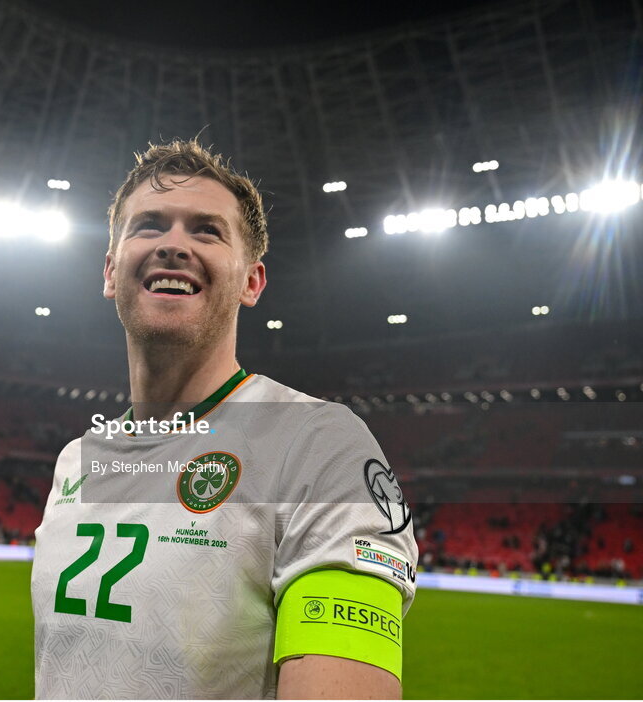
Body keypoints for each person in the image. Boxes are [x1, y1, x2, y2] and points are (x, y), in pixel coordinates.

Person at [31, 139, 417, 699]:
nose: (173, 245)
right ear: (111, 272)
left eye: (207, 231)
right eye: (149, 225)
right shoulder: (77, 459)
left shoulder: (319, 446)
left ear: (251, 282)